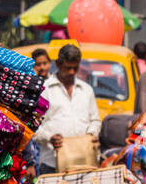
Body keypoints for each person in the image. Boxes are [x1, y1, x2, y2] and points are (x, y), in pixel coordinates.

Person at [31, 44, 100, 176]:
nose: (72, 72)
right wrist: (49, 137)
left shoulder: (86, 90)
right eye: (68, 68)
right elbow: (33, 127)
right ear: (58, 64)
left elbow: (95, 121)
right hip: (52, 163)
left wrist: (92, 134)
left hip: (85, 161)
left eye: (75, 68)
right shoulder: (44, 90)